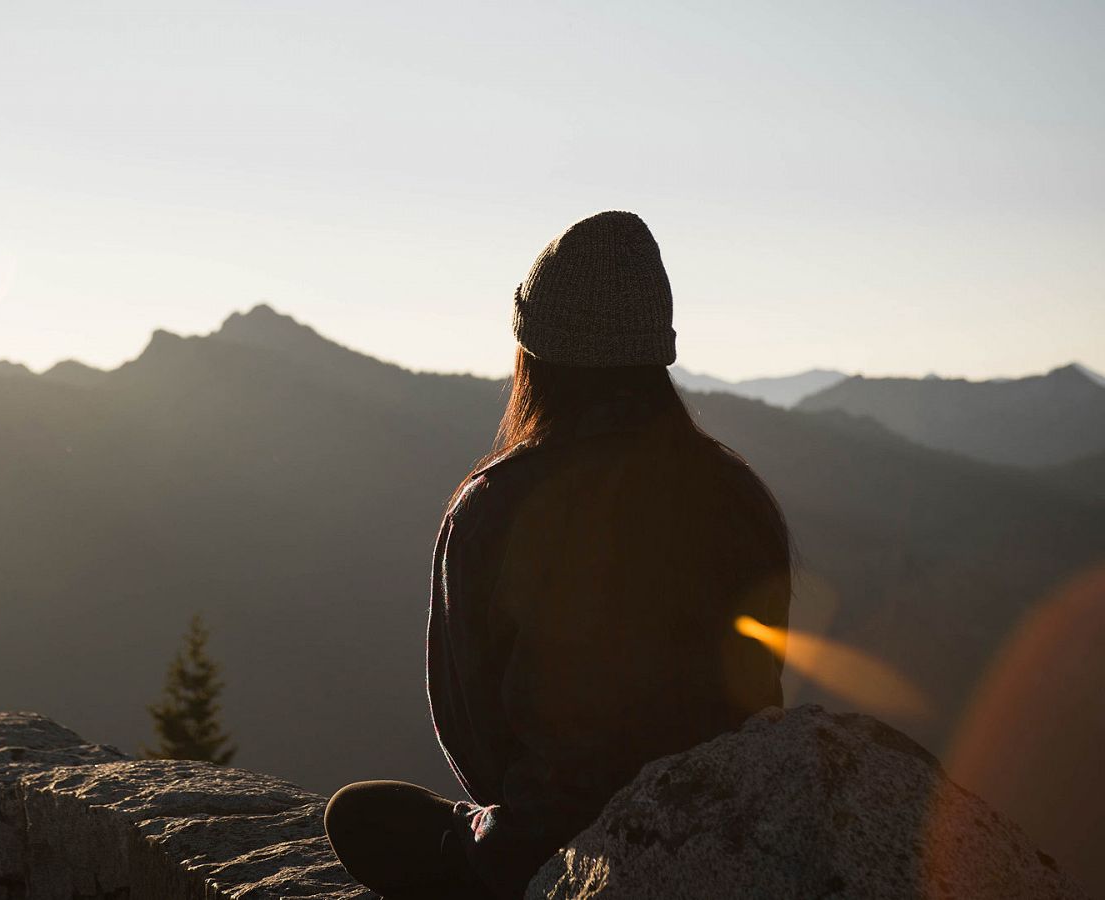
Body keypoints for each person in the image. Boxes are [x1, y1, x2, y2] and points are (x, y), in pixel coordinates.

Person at [323, 211, 792, 899]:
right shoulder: (736, 496)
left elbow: (472, 730)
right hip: (722, 834)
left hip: (552, 855)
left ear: (532, 353)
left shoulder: (494, 504)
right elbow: (758, 696)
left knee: (362, 815)